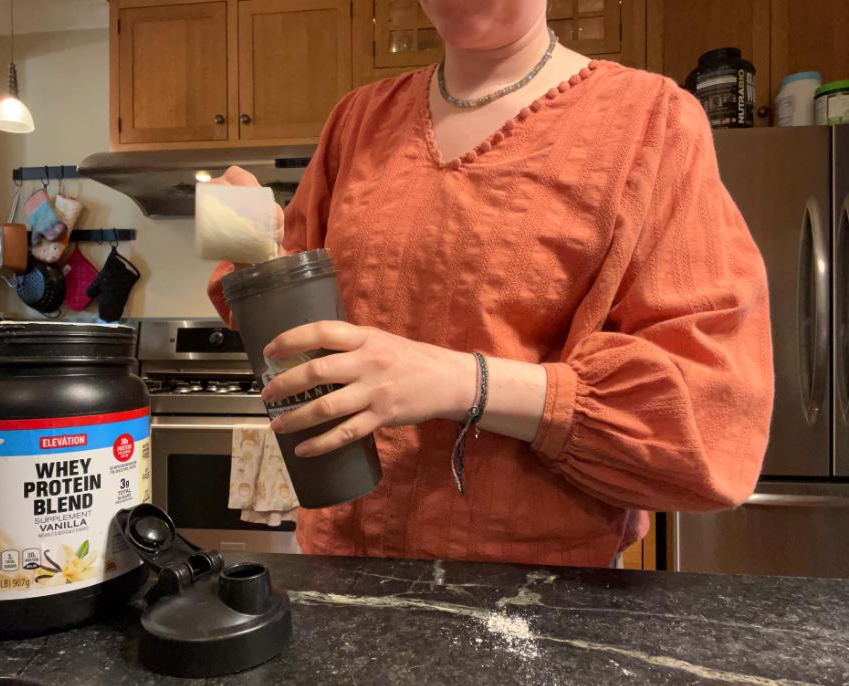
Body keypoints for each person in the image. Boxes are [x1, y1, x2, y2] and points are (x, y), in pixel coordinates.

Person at [207, 0, 773, 567]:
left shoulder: (651, 122)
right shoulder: (359, 119)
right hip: (341, 561)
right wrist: (253, 246)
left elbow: (706, 415)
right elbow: (297, 334)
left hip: (536, 588)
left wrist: (463, 382)